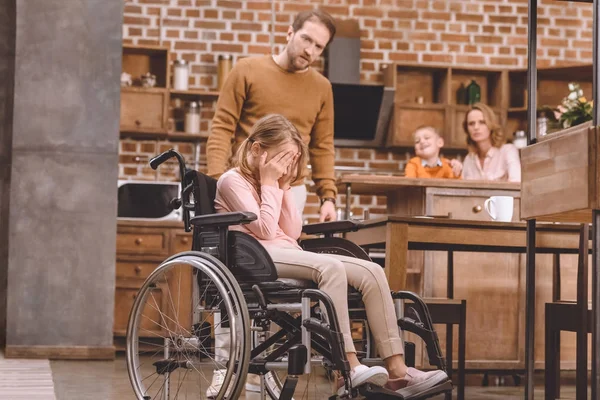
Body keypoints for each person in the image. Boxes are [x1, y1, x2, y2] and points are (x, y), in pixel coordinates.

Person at [213, 114, 449, 397]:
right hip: (255, 257)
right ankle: (347, 365)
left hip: (285, 252)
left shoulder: (274, 182)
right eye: (281, 159)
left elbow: (291, 229)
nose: (284, 166)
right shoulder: (232, 181)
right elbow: (263, 230)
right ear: (256, 150)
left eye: (290, 161)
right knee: (331, 267)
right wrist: (268, 181)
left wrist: (283, 185)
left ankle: (398, 370)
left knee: (371, 271)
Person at [206, 9, 338, 222]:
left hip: (291, 189)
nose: (309, 50)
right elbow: (222, 128)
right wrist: (214, 181)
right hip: (244, 183)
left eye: (318, 46)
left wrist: (328, 198)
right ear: (289, 33)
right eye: (306, 39)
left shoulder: (322, 88)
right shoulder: (246, 70)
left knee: (283, 251)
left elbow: (322, 145)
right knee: (241, 252)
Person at [461, 103, 521, 182]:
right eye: (471, 123)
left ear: (491, 124)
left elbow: (516, 185)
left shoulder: (507, 151)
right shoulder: (469, 159)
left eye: (482, 122)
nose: (476, 127)